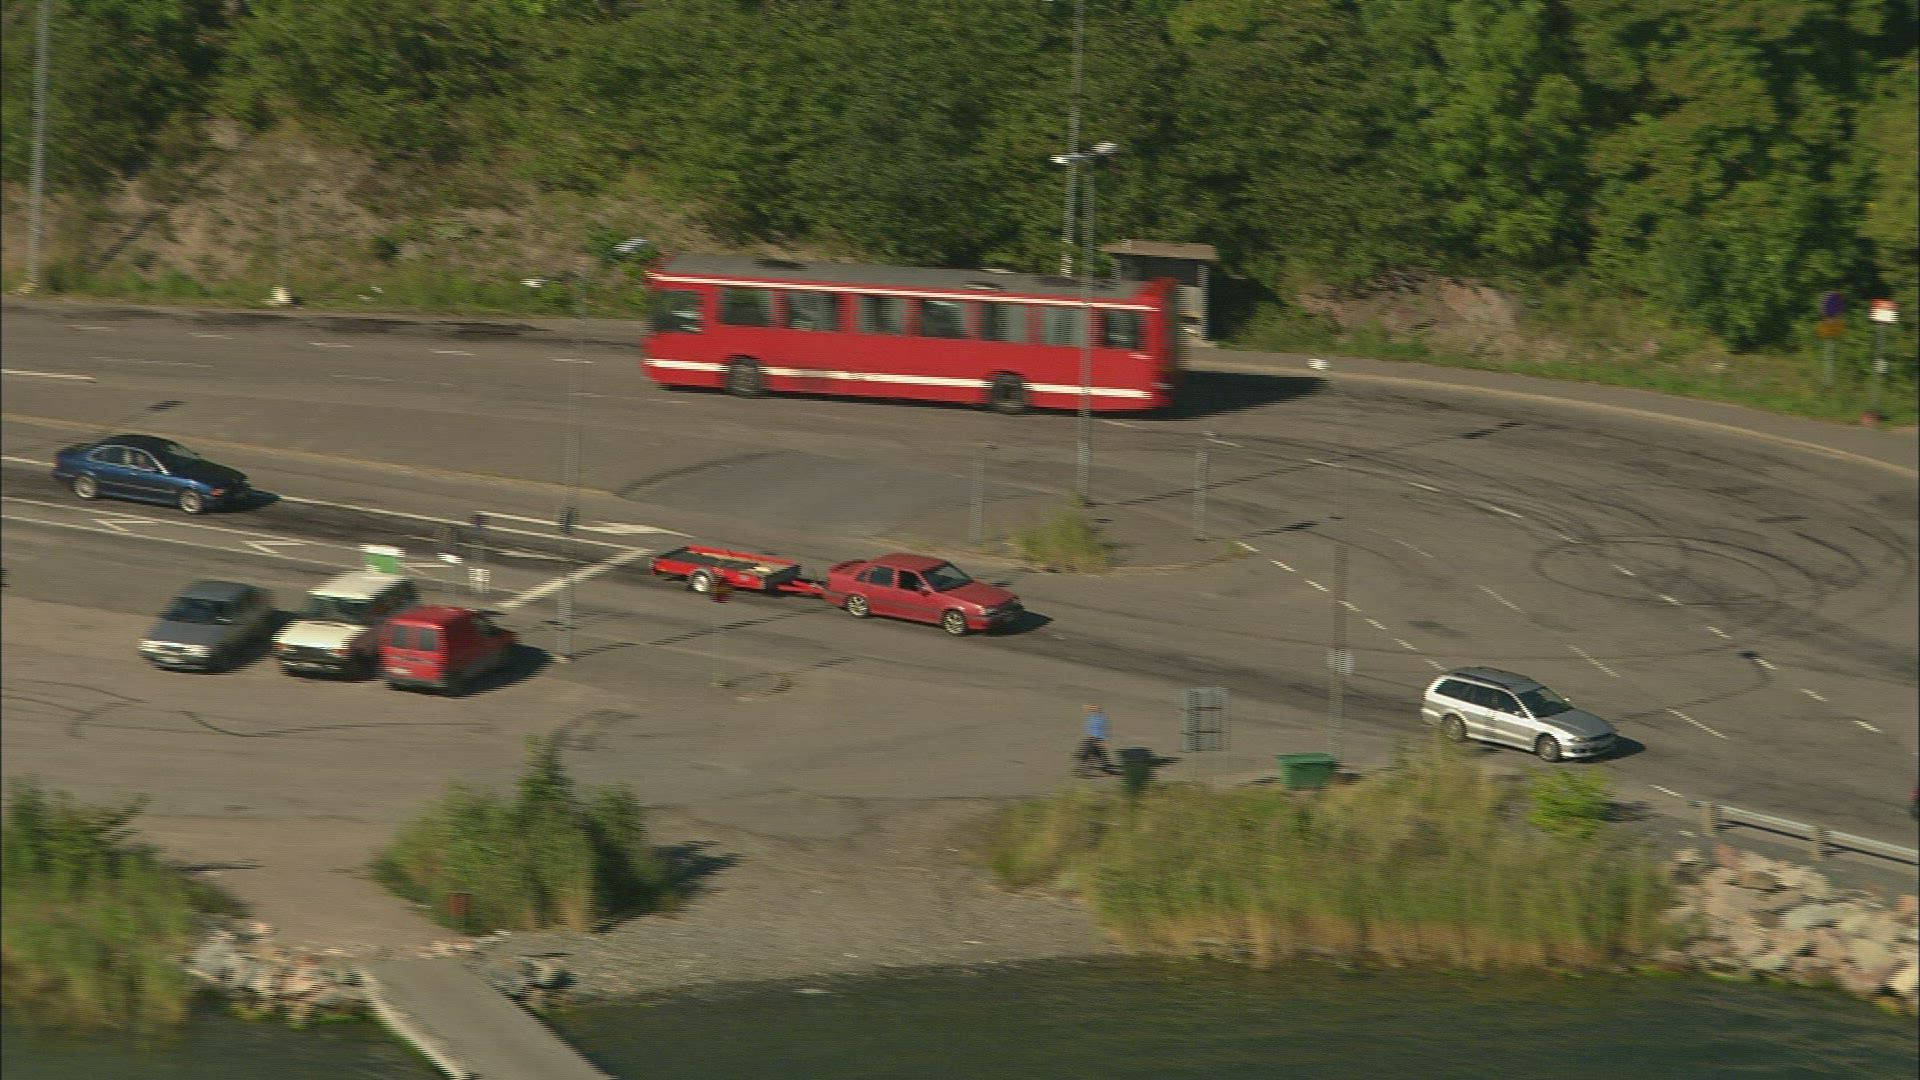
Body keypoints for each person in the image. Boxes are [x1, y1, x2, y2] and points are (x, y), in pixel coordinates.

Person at [1075, 704, 1118, 777]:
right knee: (1099, 755)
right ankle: (1105, 771)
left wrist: (1100, 740)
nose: (1090, 710)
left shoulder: (1099, 718)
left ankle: (1083, 771)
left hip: (1094, 739)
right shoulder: (1095, 716)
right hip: (1093, 739)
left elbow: (1100, 729)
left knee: (1088, 755)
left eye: (1093, 708)